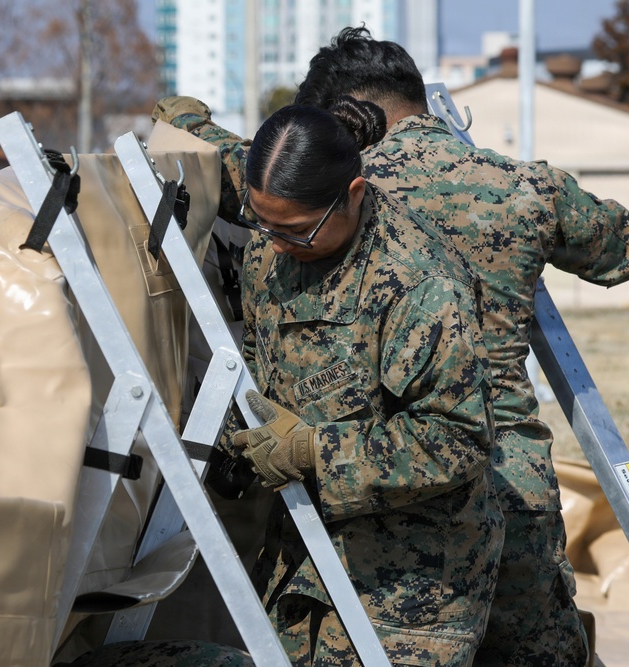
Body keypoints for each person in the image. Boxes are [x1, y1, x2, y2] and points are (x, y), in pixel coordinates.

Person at [151, 28, 629, 663]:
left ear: (346, 118)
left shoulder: (329, 192)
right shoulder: (520, 188)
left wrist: (187, 120)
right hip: (511, 483)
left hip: (392, 497)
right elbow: (625, 251)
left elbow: (227, 157)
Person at [201, 98, 505, 666]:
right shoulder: (276, 241)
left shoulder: (419, 283)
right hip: (302, 555)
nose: (276, 242)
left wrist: (314, 452)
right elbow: (262, 355)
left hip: (410, 589)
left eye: (296, 230)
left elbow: (458, 438)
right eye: (262, 223)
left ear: (355, 194)